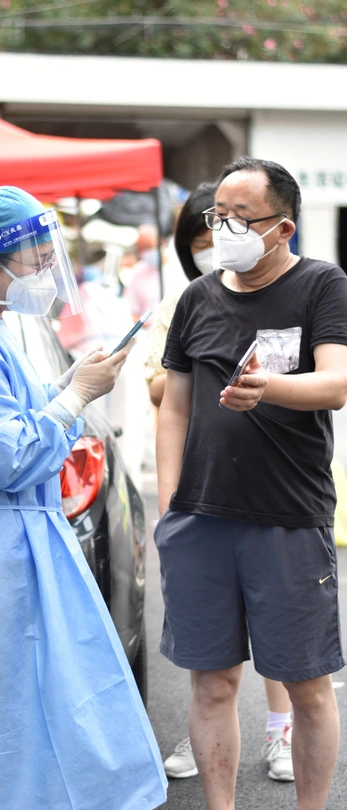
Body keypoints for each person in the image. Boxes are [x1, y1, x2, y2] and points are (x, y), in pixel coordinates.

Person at [0, 186, 167, 810]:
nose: (45, 275)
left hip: (9, 546)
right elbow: (6, 457)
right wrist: (76, 399)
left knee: (41, 708)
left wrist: (65, 385)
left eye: (50, 260)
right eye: (36, 261)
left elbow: (5, 420)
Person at [155, 157, 347, 810]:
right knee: (211, 685)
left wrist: (270, 388)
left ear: (282, 227)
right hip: (200, 519)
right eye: (218, 215)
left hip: (288, 516)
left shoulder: (321, 284)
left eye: (241, 216)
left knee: (307, 687)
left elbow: (336, 383)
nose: (223, 229)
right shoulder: (196, 298)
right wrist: (169, 506)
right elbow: (174, 405)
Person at [147, 181, 296, 783]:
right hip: (199, 486)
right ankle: (201, 733)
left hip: (273, 489)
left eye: (236, 224)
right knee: (209, 648)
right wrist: (168, 505)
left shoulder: (295, 291)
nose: (216, 242)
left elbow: (323, 381)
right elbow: (161, 390)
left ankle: (281, 731)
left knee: (283, 639)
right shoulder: (182, 303)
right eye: (205, 234)